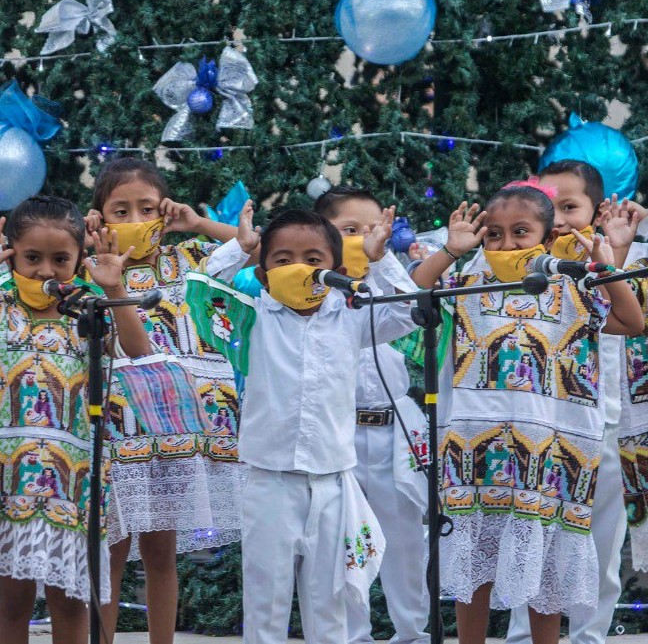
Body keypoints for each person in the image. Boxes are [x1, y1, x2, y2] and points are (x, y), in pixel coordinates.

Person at [410, 183, 644, 644]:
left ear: (546, 234)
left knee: (549, 565)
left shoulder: (575, 283)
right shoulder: (470, 283)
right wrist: (450, 251)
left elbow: (633, 321)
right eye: (493, 234)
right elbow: (414, 290)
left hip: (557, 446)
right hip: (476, 442)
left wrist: (608, 266)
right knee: (474, 555)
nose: (506, 243)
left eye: (520, 232)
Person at [0, 195, 152, 644]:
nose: (46, 270)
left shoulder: (90, 310)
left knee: (69, 600)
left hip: (71, 481)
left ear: (80, 259)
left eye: (60, 259)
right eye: (32, 258)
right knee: (13, 602)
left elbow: (138, 350)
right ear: (11, 254)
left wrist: (114, 290)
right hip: (2, 480)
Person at [204, 201, 417, 644]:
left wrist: (379, 260)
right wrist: (239, 250)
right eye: (283, 260)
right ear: (262, 274)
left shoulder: (351, 316)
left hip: (333, 484)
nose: (299, 269)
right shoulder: (251, 318)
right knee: (266, 606)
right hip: (269, 481)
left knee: (330, 606)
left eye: (313, 260)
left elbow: (404, 313)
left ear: (336, 268)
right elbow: (202, 295)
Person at [85, 158, 247, 643]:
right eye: (120, 210)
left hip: (178, 432)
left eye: (147, 208)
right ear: (99, 218)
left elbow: (249, 247)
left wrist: (196, 222)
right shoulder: (87, 267)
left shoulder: (191, 258)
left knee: (161, 550)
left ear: (165, 211)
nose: (135, 221)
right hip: (117, 431)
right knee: (110, 548)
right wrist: (86, 243)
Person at [504, 160, 637, 644]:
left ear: (597, 210)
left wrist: (613, 255)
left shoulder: (611, 259)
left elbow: (628, 318)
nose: (558, 219)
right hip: (537, 426)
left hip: (599, 424)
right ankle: (524, 635)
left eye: (570, 207)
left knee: (599, 542)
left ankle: (588, 636)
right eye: (549, 207)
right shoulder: (522, 268)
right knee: (529, 538)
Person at [312, 186, 429, 644]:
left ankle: (411, 631)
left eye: (372, 228)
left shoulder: (381, 279)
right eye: (349, 230)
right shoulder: (312, 293)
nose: (362, 237)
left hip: (392, 431)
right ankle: (352, 634)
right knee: (344, 540)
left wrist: (379, 260)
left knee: (404, 538)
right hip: (338, 431)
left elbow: (409, 309)